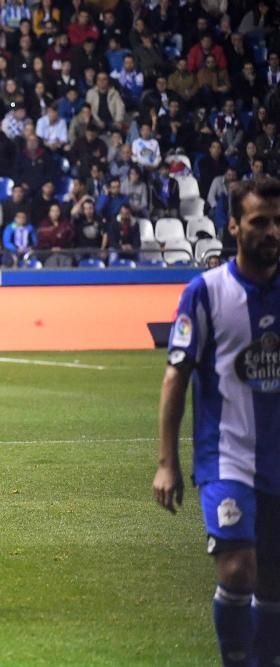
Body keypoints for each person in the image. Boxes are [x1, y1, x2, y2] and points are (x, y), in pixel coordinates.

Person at [153, 177, 280, 667]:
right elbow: (175, 378)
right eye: (259, 222)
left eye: (277, 222)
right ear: (233, 227)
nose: (271, 231)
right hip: (225, 456)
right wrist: (167, 464)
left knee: (272, 578)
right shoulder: (206, 292)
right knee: (237, 568)